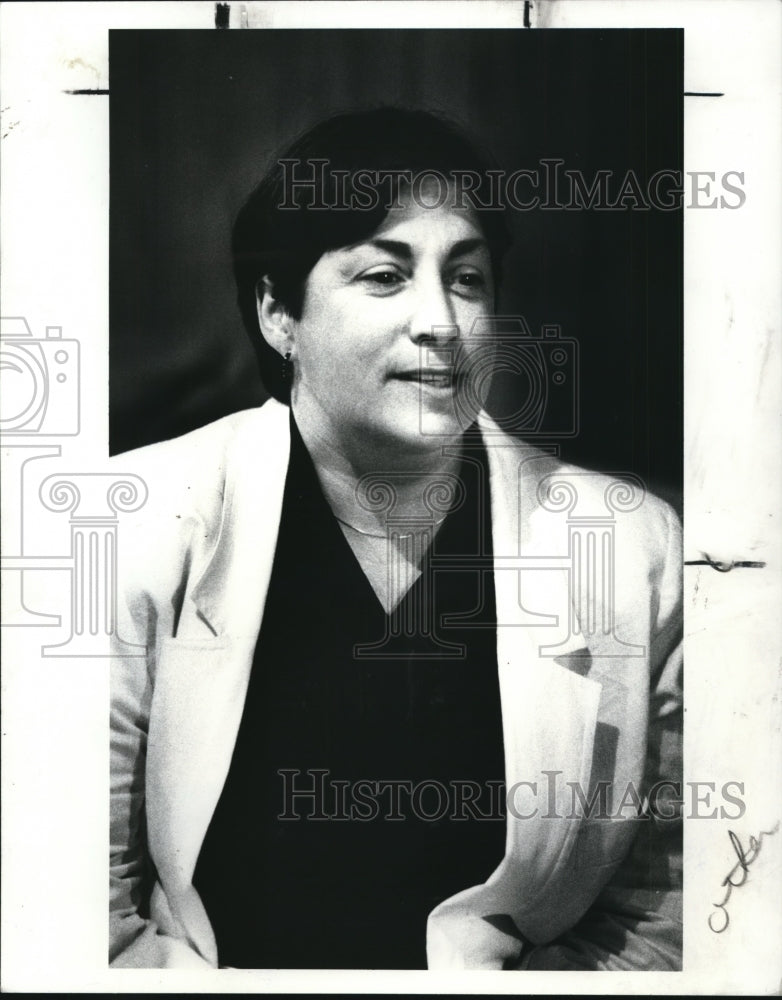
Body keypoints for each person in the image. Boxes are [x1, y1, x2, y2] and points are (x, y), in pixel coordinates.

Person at [109, 107, 682, 970]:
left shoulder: (630, 546)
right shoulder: (140, 515)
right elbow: (69, 898)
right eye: (384, 276)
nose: (441, 321)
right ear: (277, 315)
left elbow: (671, 904)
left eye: (468, 278)